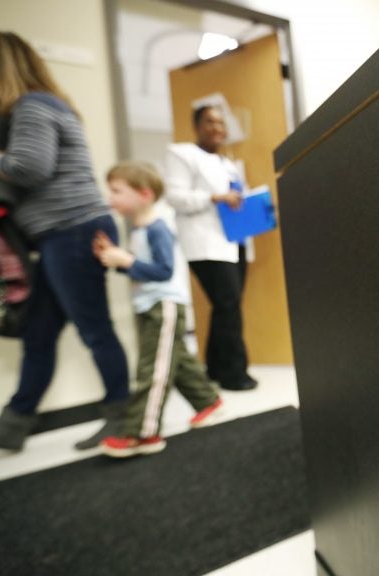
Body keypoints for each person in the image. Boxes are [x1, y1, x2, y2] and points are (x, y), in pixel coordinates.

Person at [0, 31, 129, 452]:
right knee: (38, 332)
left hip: (74, 229)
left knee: (95, 330)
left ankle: (124, 419)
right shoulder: (32, 108)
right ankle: (13, 426)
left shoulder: (33, 105)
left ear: (4, 61)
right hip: (56, 235)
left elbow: (29, 168)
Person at [93, 161, 223, 458]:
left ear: (144, 194)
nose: (111, 198)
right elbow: (143, 270)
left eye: (117, 191)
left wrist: (126, 261)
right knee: (174, 361)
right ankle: (208, 402)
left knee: (153, 370)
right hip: (151, 305)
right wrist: (118, 260)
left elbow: (164, 271)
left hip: (162, 306)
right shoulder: (140, 229)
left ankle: (143, 433)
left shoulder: (157, 228)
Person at [164, 105, 257, 391]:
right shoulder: (182, 154)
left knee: (226, 306)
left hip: (234, 241)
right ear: (196, 126)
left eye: (220, 123)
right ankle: (234, 374)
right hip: (205, 244)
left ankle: (215, 368)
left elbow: (238, 198)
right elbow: (175, 197)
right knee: (228, 305)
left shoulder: (228, 163)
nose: (216, 127)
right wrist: (215, 197)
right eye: (209, 122)